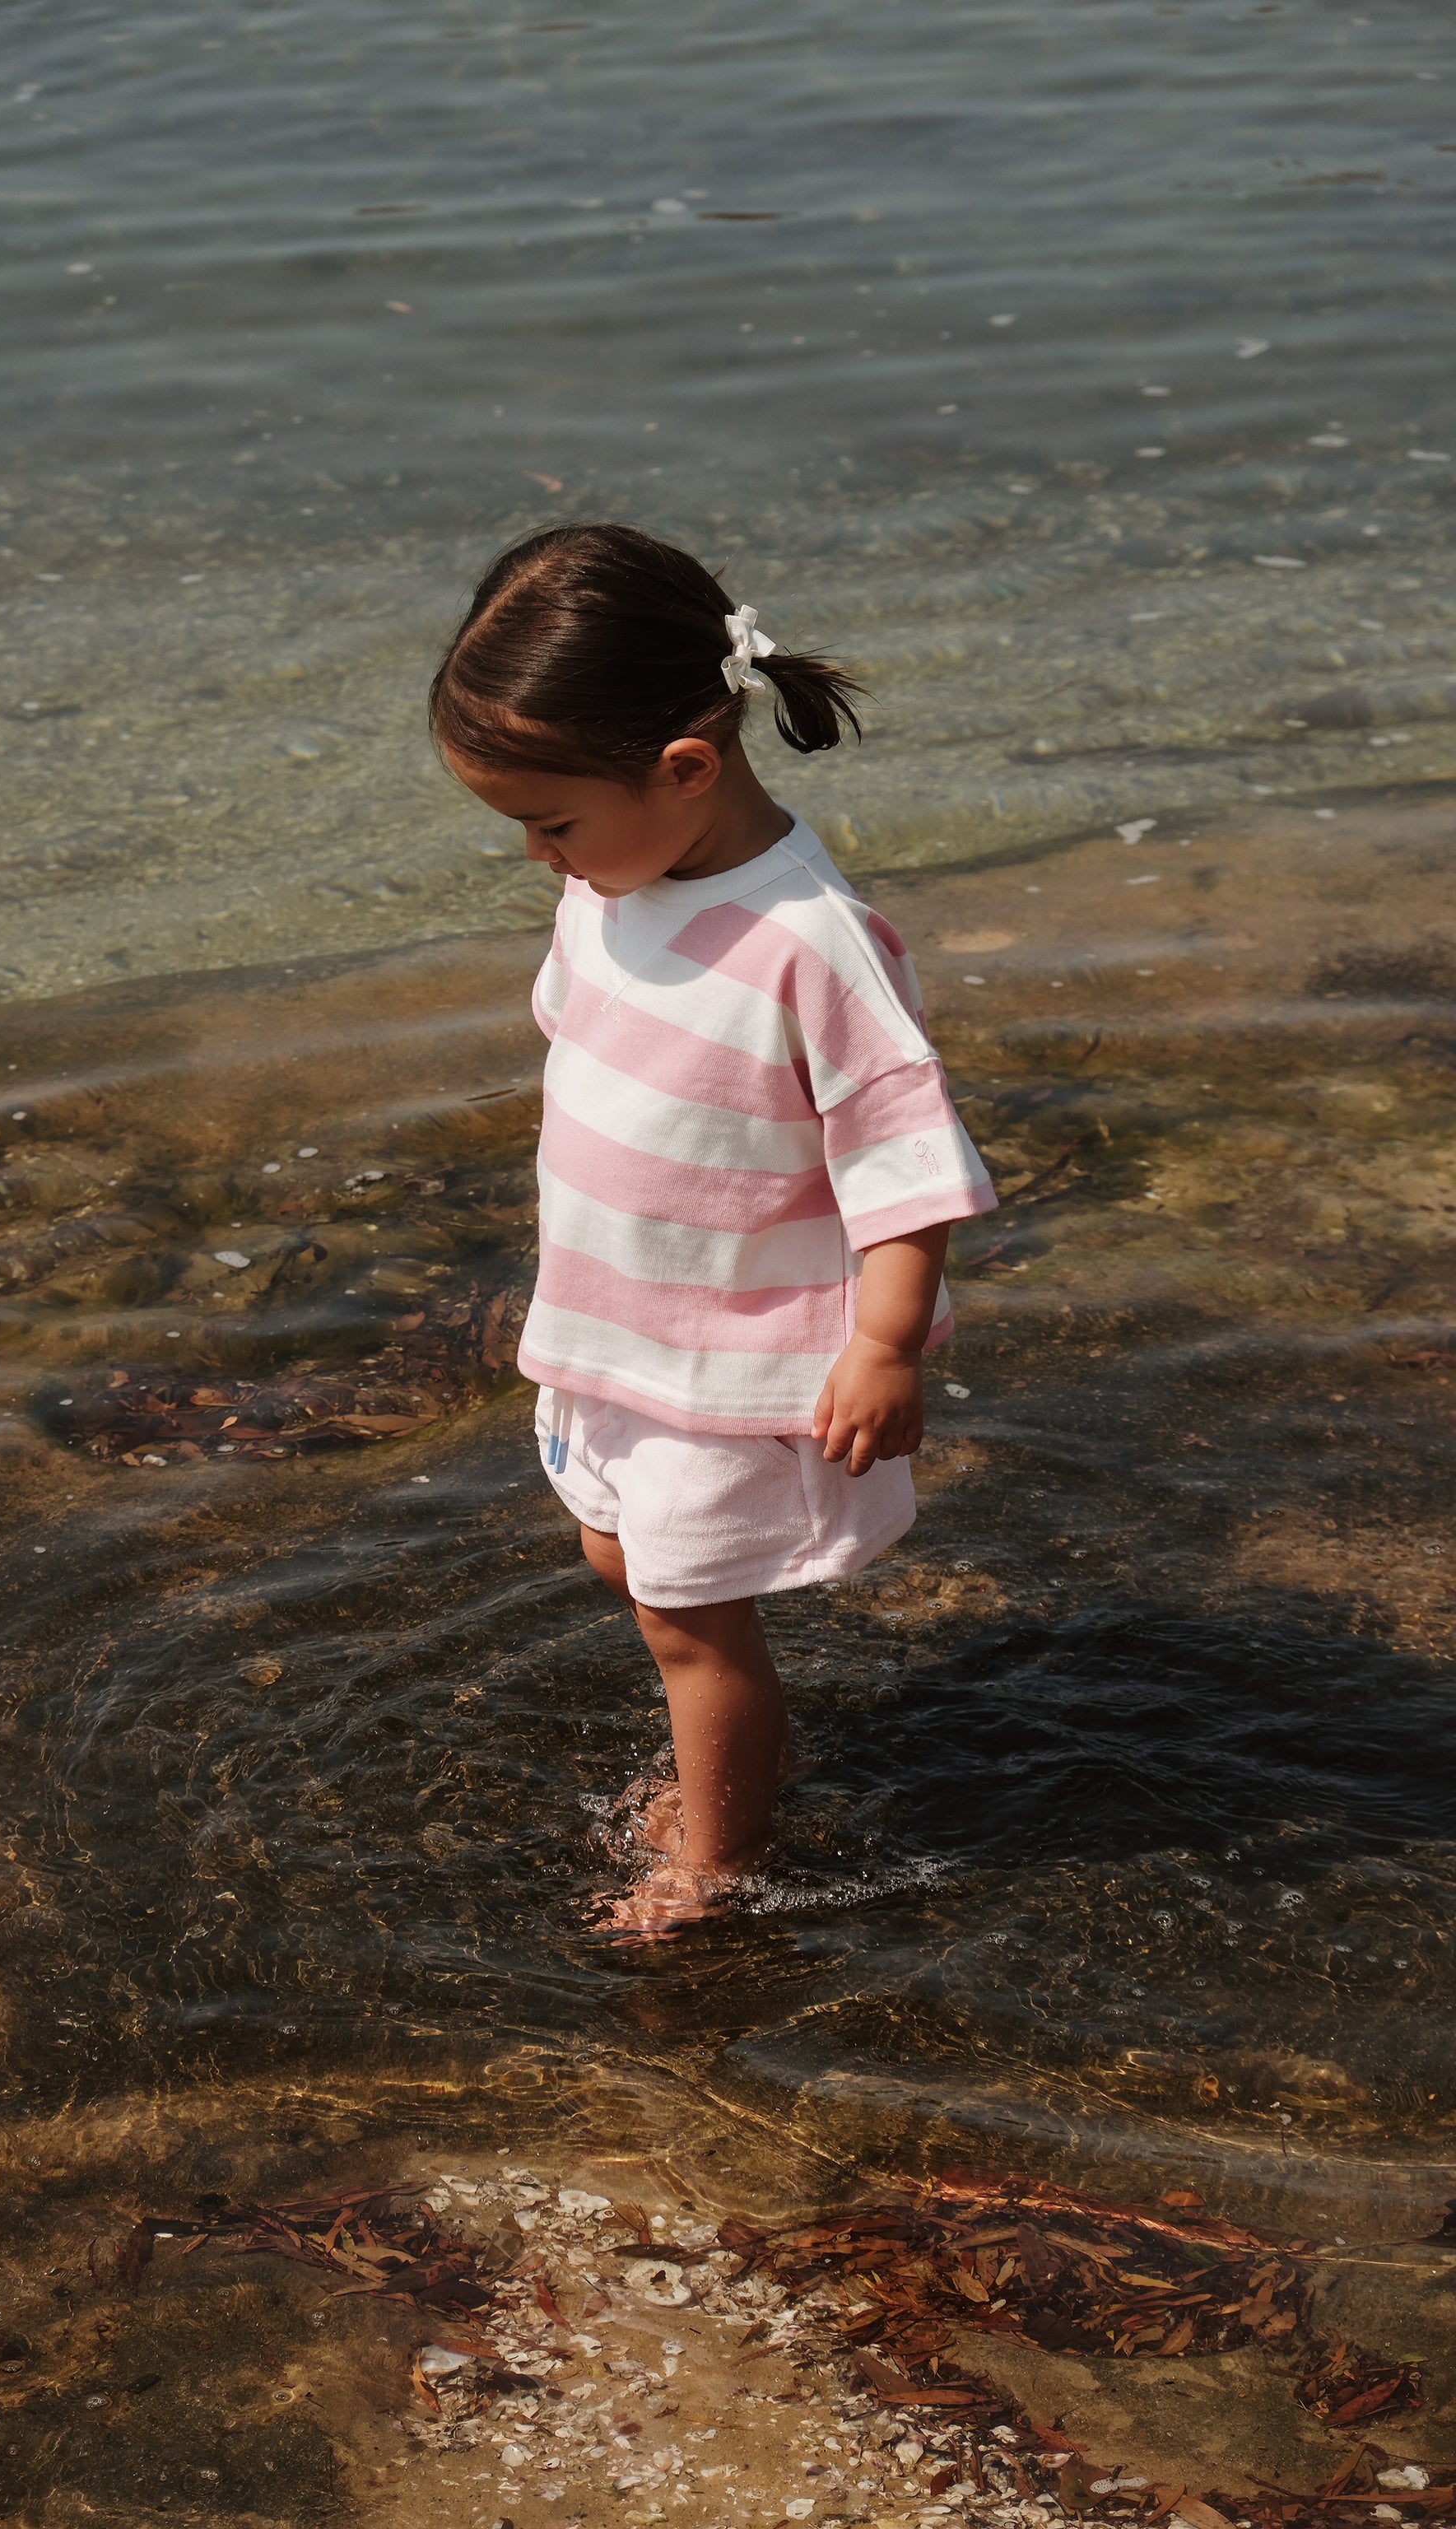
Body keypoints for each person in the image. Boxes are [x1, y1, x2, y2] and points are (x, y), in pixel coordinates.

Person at [430, 523, 996, 1936]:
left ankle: (718, 1864)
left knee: (689, 1622)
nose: (536, 855)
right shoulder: (611, 885)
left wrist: (885, 1347)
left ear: (686, 768)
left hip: (732, 1359)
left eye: (552, 823)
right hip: (616, 1325)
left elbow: (905, 1166)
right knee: (621, 1558)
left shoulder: (813, 943)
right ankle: (741, 1763)